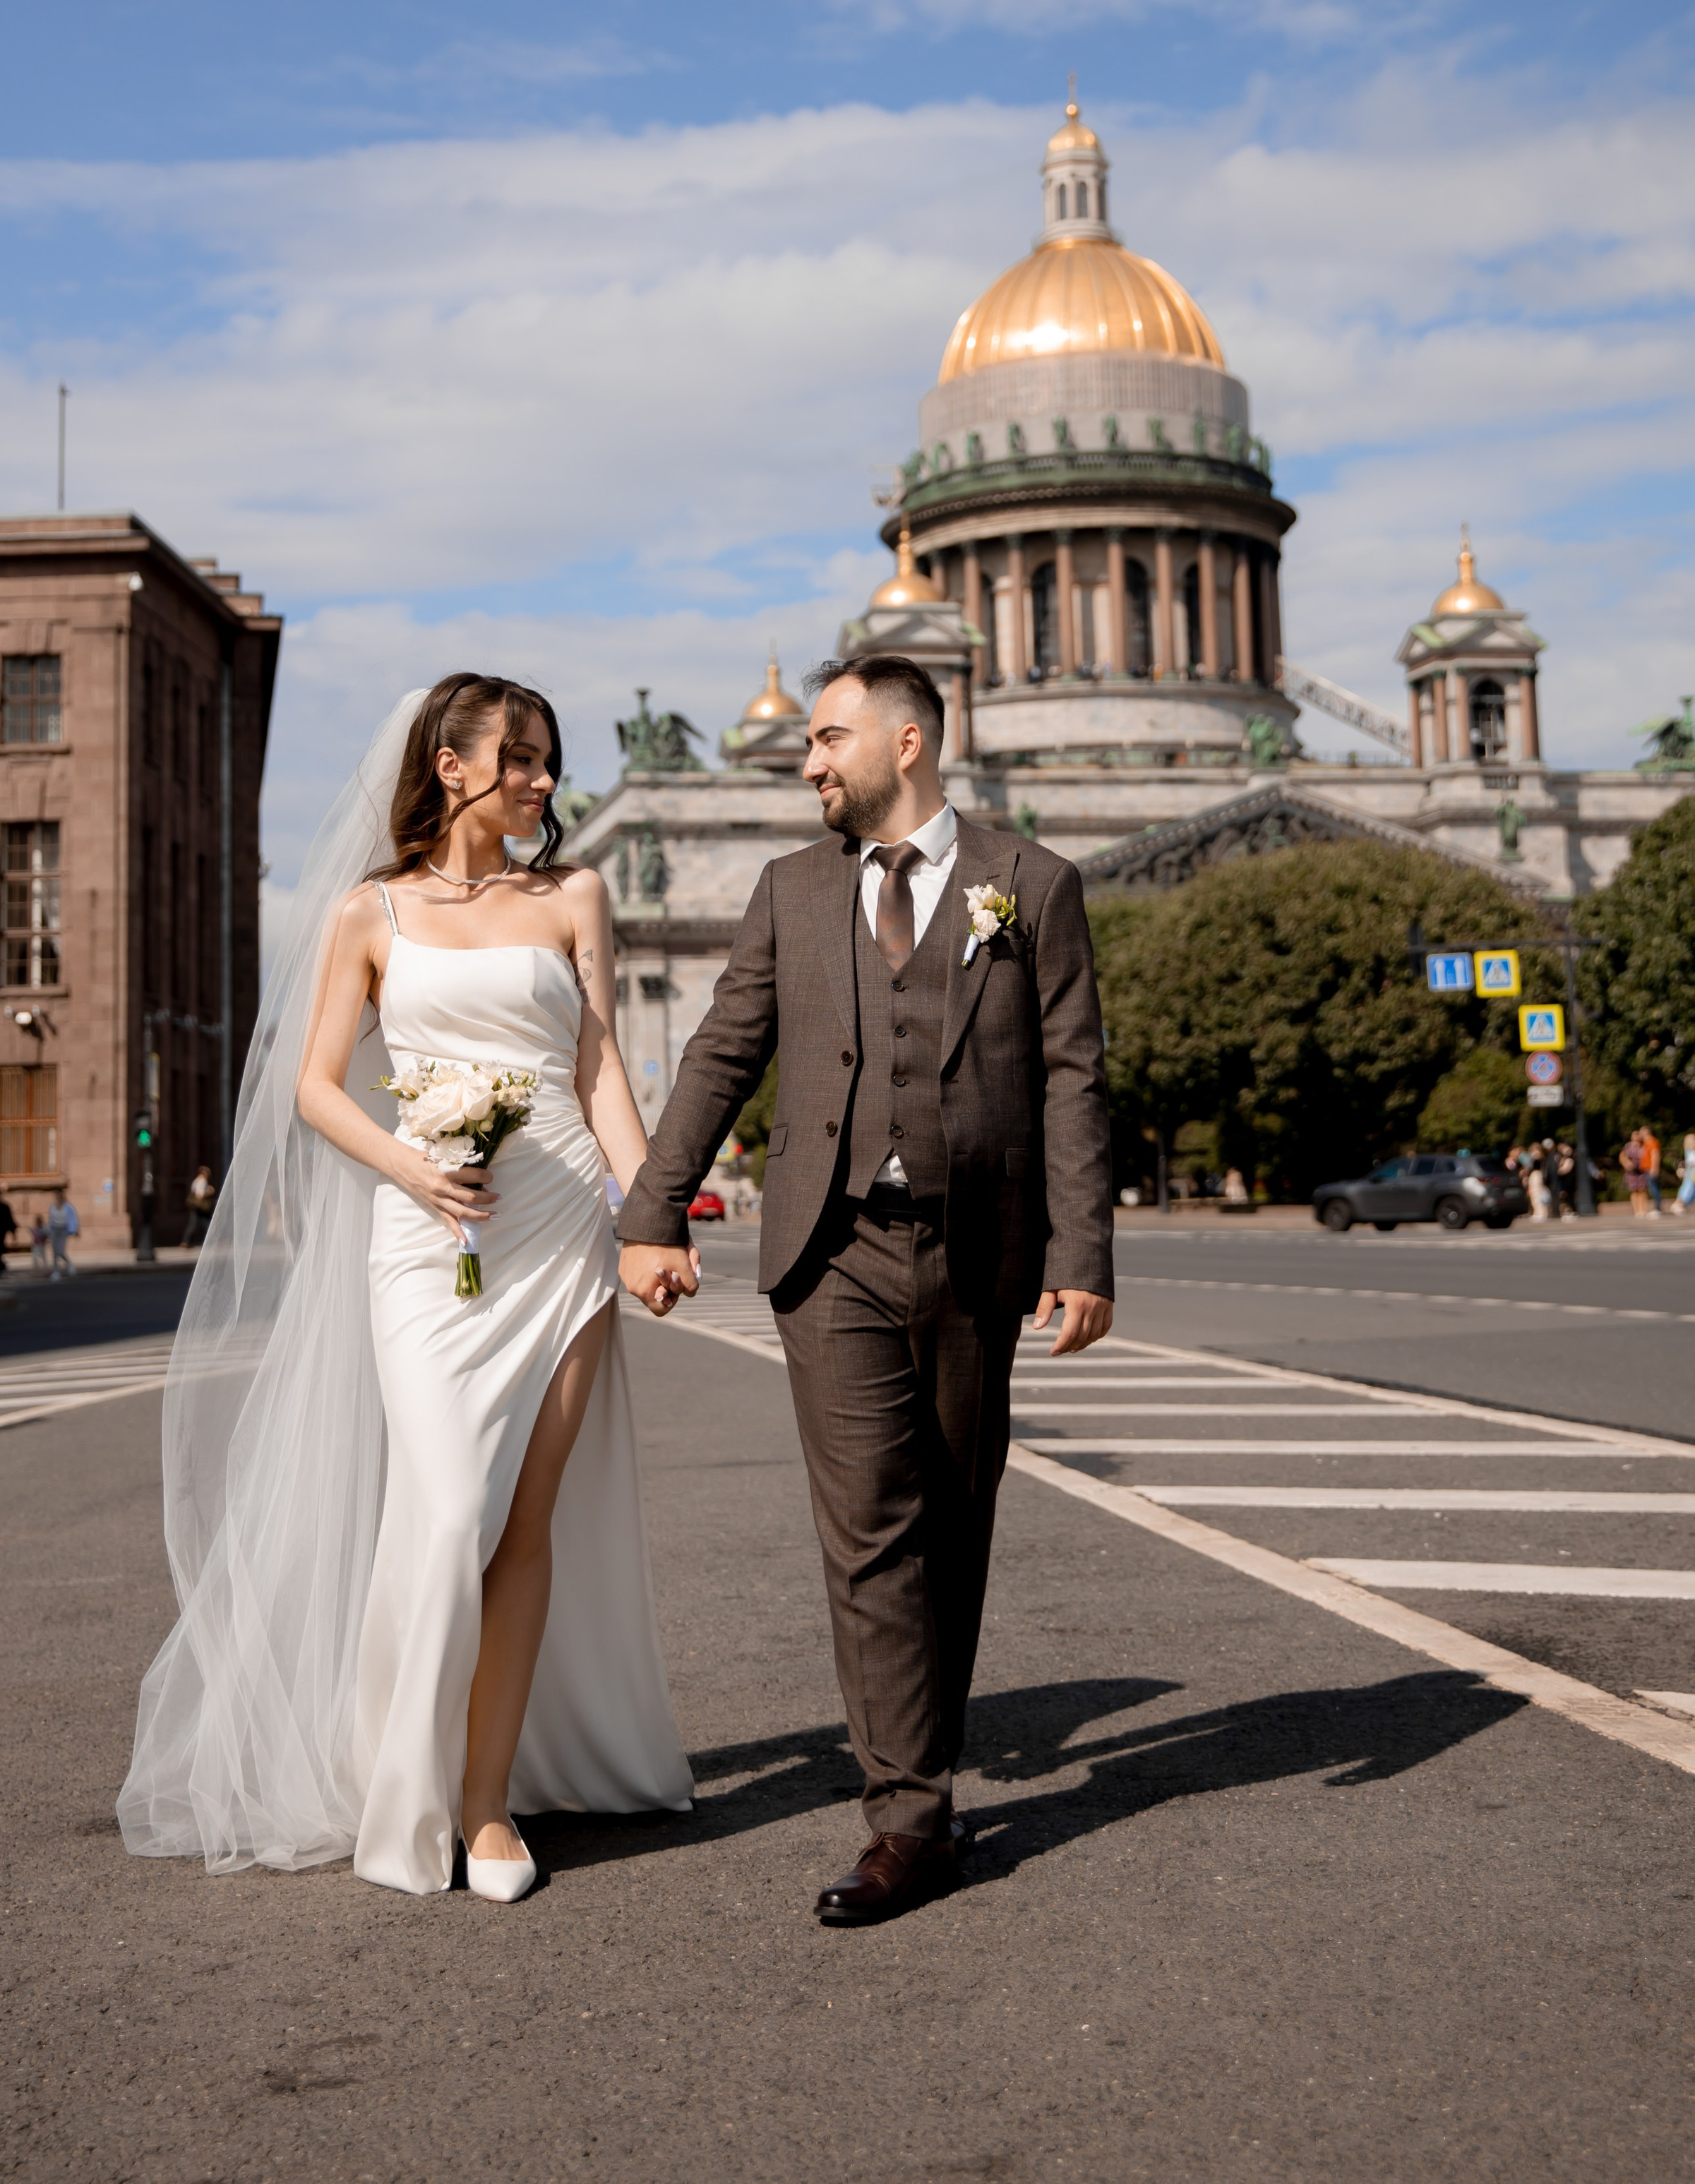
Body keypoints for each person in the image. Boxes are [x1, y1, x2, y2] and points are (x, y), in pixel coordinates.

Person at [119, 676, 690, 1900]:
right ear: (452, 765)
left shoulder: (574, 895)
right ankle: (402, 1782)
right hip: (426, 1241)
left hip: (556, 1235)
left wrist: (653, 1218)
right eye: (523, 758)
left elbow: (596, 1070)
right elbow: (317, 1086)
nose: (544, 780)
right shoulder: (369, 913)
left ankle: (486, 1808)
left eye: (548, 759)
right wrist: (413, 1167)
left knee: (524, 1527)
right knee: (439, 1518)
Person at [618, 653, 1114, 1924]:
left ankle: (921, 1769)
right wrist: (654, 1208)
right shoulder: (789, 892)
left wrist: (1082, 1257)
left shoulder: (1033, 885)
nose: (807, 759)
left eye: (829, 738)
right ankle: (909, 1820)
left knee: (955, 1521)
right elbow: (722, 1051)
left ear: (908, 742)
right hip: (828, 1253)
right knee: (872, 1533)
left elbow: (1071, 1080)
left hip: (980, 1251)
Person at [181, 1165, 216, 1249]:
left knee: (198, 1224)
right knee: (203, 1224)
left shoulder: (196, 1181)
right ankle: (208, 1240)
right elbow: (199, 1194)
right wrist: (209, 1191)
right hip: (200, 1207)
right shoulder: (202, 1181)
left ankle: (187, 1241)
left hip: (197, 1207)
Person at [47, 1189, 78, 1275]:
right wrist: (48, 1231)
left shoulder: (67, 1207)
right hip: (54, 1229)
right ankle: (56, 1270)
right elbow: (50, 1220)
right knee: (54, 1251)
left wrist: (74, 1230)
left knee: (60, 1251)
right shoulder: (52, 1207)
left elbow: (73, 1218)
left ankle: (69, 1265)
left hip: (63, 1229)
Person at [1619, 1129, 1647, 1217]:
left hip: (1642, 1171)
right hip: (1631, 1172)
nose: (1636, 1137)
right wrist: (1627, 1164)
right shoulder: (1628, 1146)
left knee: (1642, 1190)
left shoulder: (1643, 1146)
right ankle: (1637, 1211)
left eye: (1638, 1135)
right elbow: (1622, 1156)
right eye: (1634, 1135)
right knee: (1634, 1191)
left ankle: (1643, 1210)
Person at [1639, 1124, 1663, 1216]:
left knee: (1654, 1189)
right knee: (1652, 1188)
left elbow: (1655, 1155)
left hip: (1650, 1168)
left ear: (1646, 1132)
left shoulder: (1652, 1142)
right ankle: (1656, 1208)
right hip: (1647, 1168)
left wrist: (1654, 1168)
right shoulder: (1646, 1143)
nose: (1640, 1134)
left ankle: (1657, 1208)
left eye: (1641, 1132)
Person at [1675, 1131, 1695, 1217]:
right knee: (1688, 1188)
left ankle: (1681, 1204)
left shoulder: (1689, 1151)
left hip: (1691, 1174)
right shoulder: (1690, 1151)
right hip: (1692, 1174)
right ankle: (1679, 1204)